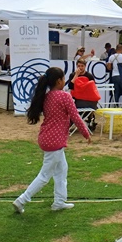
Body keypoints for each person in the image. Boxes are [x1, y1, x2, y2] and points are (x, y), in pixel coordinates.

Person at [12, 67, 91, 214]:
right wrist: (86, 133)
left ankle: (59, 201)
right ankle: (22, 200)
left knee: (62, 169)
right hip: (54, 141)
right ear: (59, 81)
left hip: (46, 138)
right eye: (63, 78)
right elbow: (75, 117)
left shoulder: (47, 96)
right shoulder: (65, 97)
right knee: (44, 175)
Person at [68, 60, 100, 132]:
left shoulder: (89, 76)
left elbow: (93, 88)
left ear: (85, 66)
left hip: (87, 98)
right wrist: (76, 75)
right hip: (77, 98)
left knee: (91, 105)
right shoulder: (72, 75)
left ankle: (90, 121)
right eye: (79, 66)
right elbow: (70, 86)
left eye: (82, 66)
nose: (80, 68)